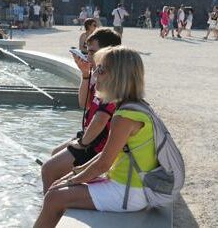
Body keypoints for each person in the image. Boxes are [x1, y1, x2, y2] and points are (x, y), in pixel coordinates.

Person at [34, 46, 159, 228]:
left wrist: (71, 180)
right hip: (130, 185)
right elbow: (107, 154)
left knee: (54, 197)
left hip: (128, 192)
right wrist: (74, 174)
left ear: (117, 76)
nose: (95, 74)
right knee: (57, 190)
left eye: (100, 69)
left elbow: (103, 164)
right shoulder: (135, 106)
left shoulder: (124, 117)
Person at [41, 28, 121, 194]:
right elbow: (82, 102)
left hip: (97, 145)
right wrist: (85, 75)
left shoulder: (113, 81)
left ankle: (51, 206)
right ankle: (55, 200)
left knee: (48, 169)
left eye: (92, 51)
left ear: (107, 52)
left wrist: (82, 144)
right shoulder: (99, 74)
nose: (87, 55)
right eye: (87, 50)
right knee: (54, 154)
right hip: (90, 137)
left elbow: (100, 120)